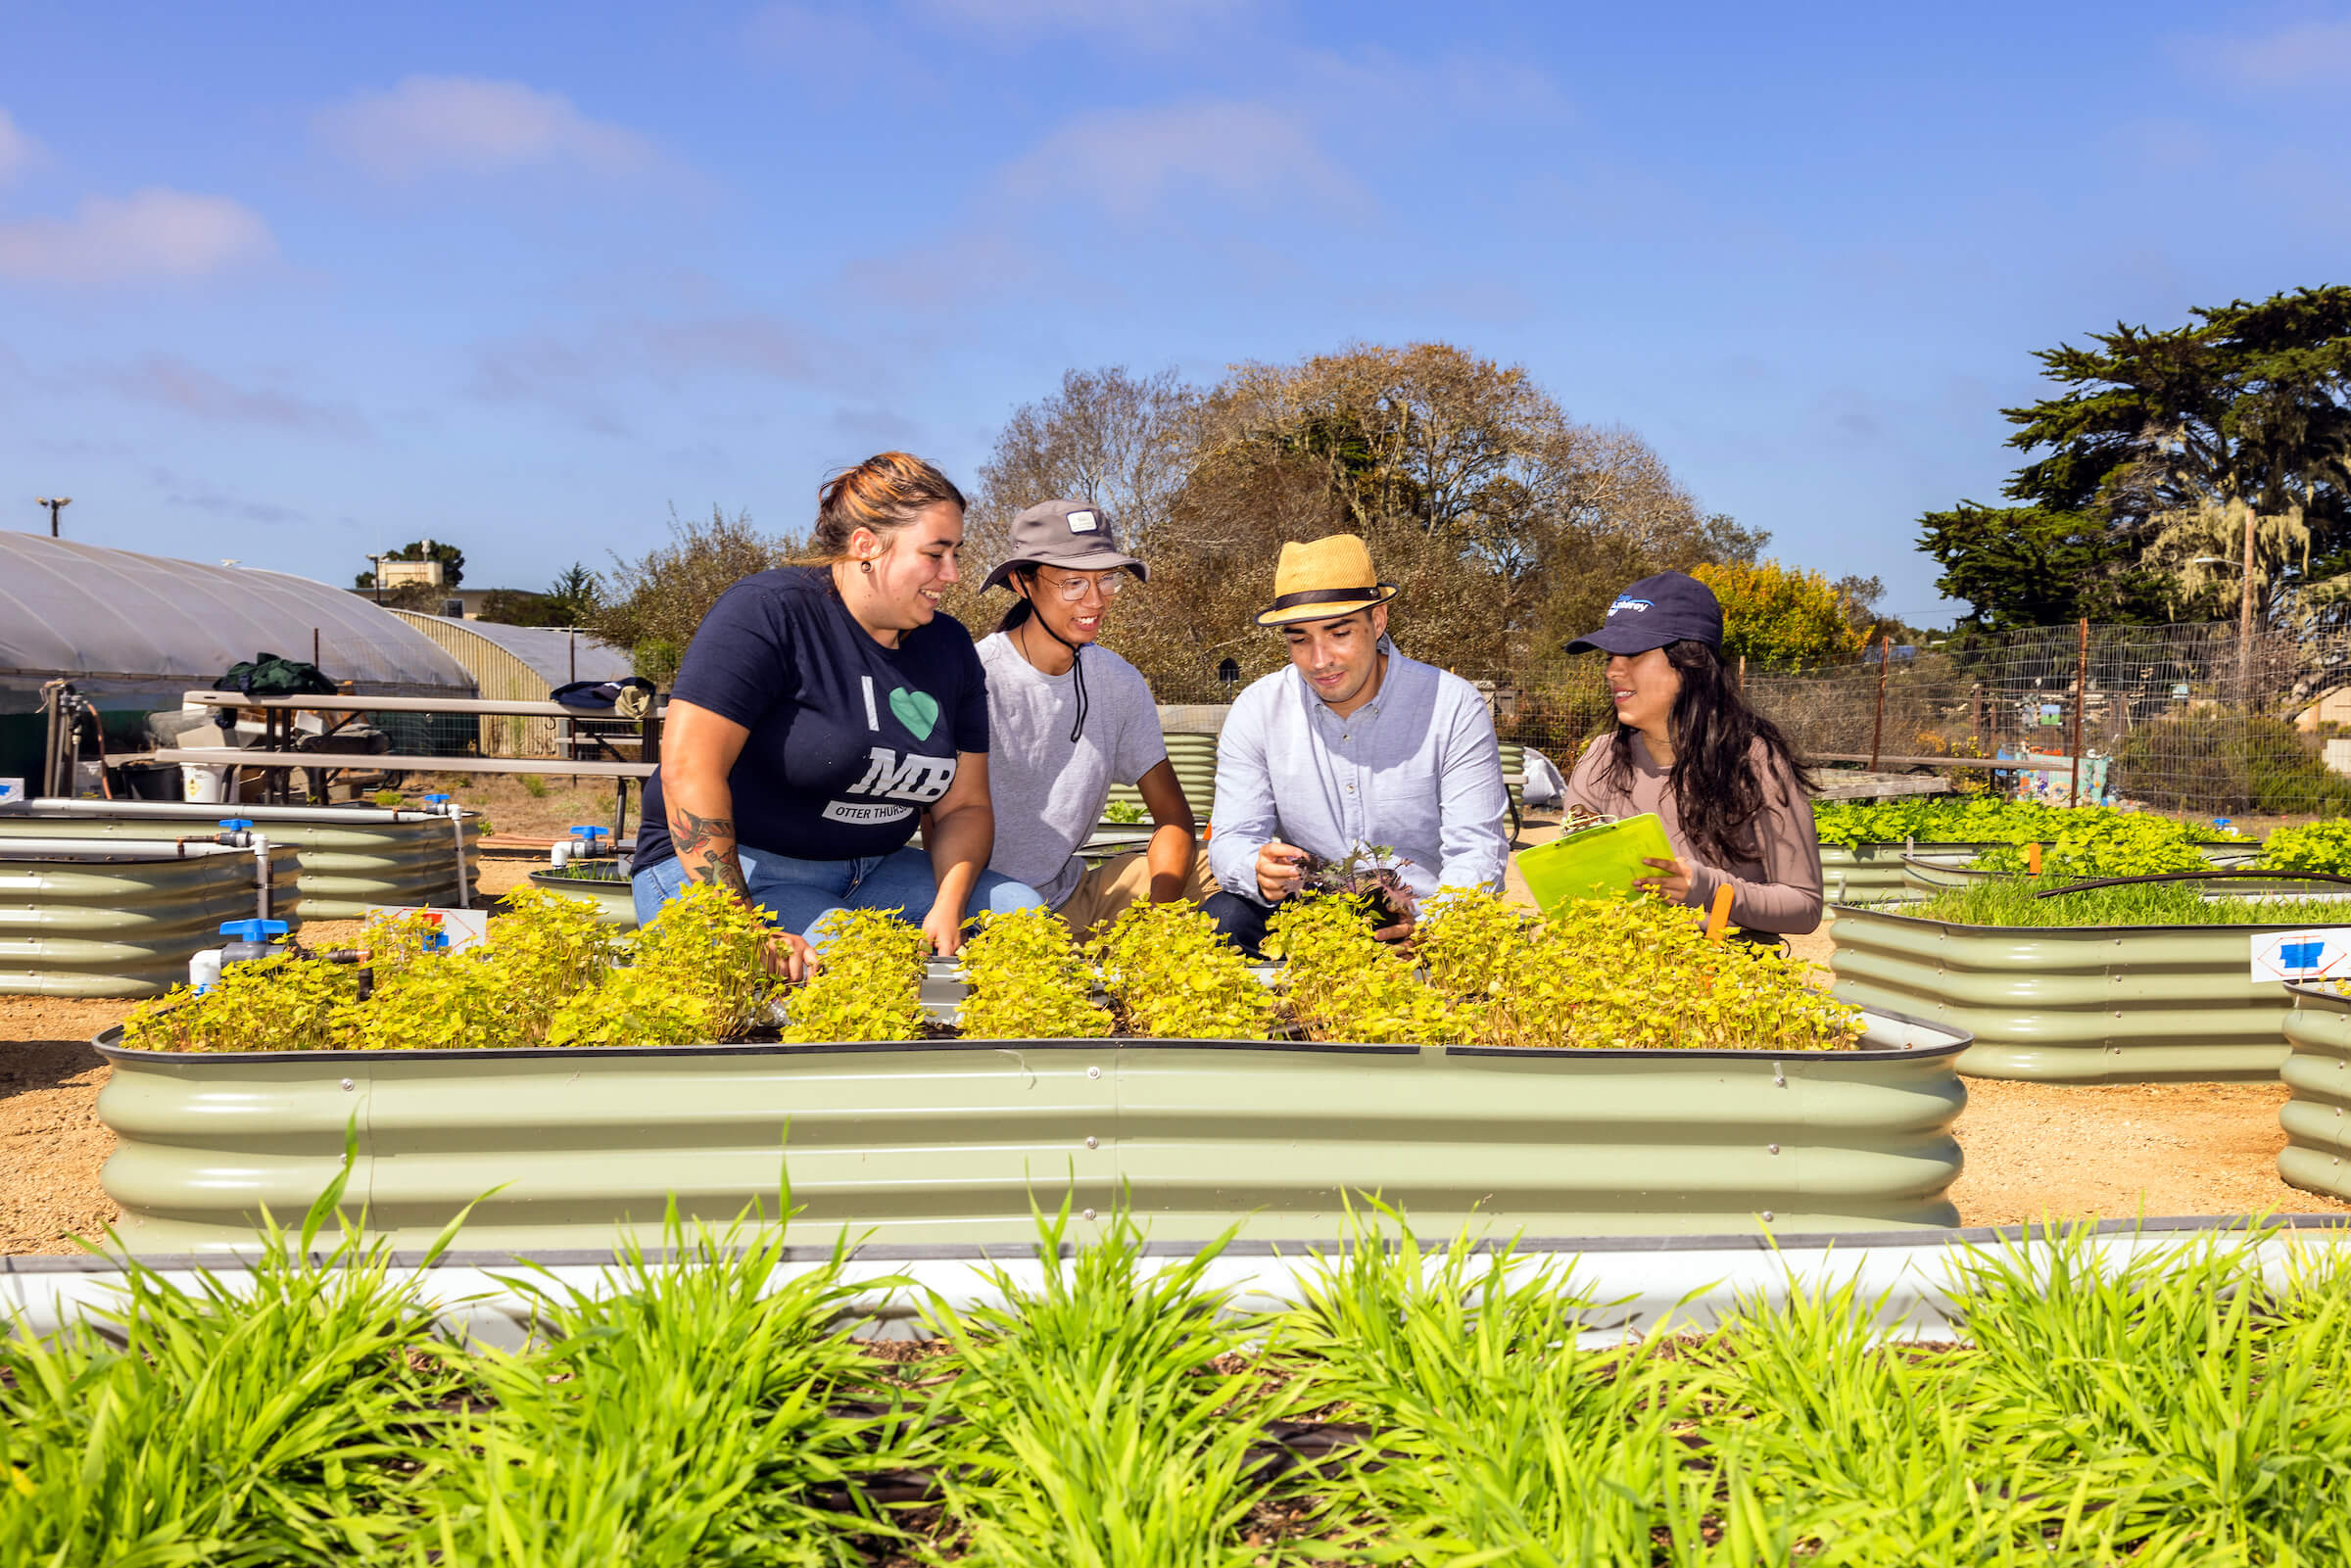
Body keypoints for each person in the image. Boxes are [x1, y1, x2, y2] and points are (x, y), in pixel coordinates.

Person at [631, 451, 1044, 976]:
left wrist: (950, 903)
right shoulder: (768, 612)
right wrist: (736, 926)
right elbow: (689, 770)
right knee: (854, 963)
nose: (954, 575)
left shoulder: (949, 646)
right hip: (739, 872)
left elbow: (963, 806)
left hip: (877, 870)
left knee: (1021, 917)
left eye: (956, 553)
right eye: (936, 554)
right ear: (867, 545)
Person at [1205, 533, 1511, 953]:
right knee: (1224, 916)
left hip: (1421, 921)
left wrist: (1430, 924)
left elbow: (1477, 848)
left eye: (1339, 633)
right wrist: (1255, 868)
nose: (1320, 659)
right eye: (1299, 639)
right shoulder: (1257, 709)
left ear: (1378, 620)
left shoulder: (1452, 705)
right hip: (1304, 918)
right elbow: (1232, 837)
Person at [977, 499, 1214, 935]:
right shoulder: (978, 677)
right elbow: (940, 827)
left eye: (1106, 579)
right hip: (987, 910)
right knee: (1020, 915)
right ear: (1021, 582)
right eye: (1072, 583)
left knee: (1218, 870)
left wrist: (1158, 924)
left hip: (1073, 896)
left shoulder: (1117, 681)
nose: (1096, 599)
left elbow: (1174, 818)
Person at [1559, 571, 1824, 938]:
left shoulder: (1755, 760)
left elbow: (1804, 906)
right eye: (1609, 656)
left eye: (1633, 653)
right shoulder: (1600, 760)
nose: (1612, 671)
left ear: (1690, 663)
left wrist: (1706, 890)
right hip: (1615, 978)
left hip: (1726, 983)